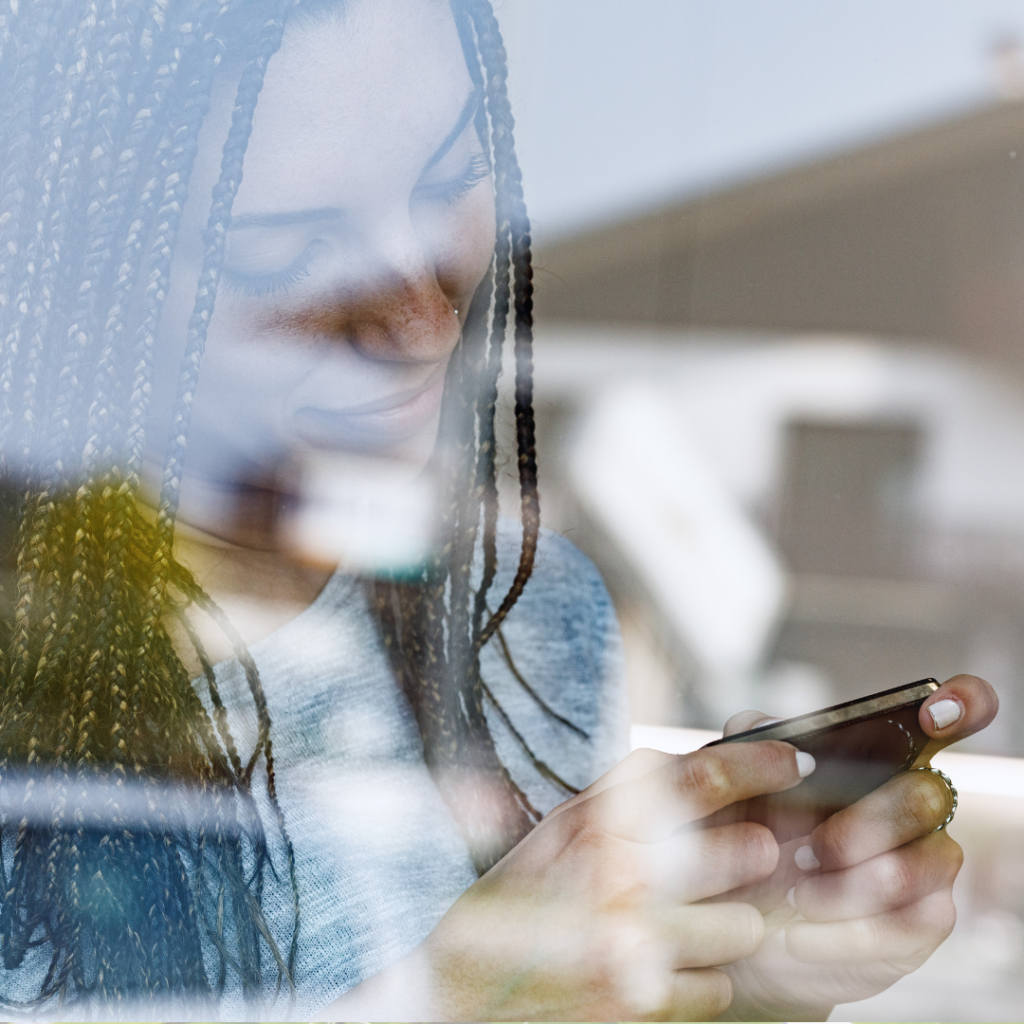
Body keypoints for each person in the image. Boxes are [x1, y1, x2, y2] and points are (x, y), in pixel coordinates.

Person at [0, 0, 999, 1018]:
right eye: (280, 246)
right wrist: (461, 998)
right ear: (80, 277)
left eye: (447, 183)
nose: (423, 318)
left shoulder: (527, 612)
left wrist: (743, 974)